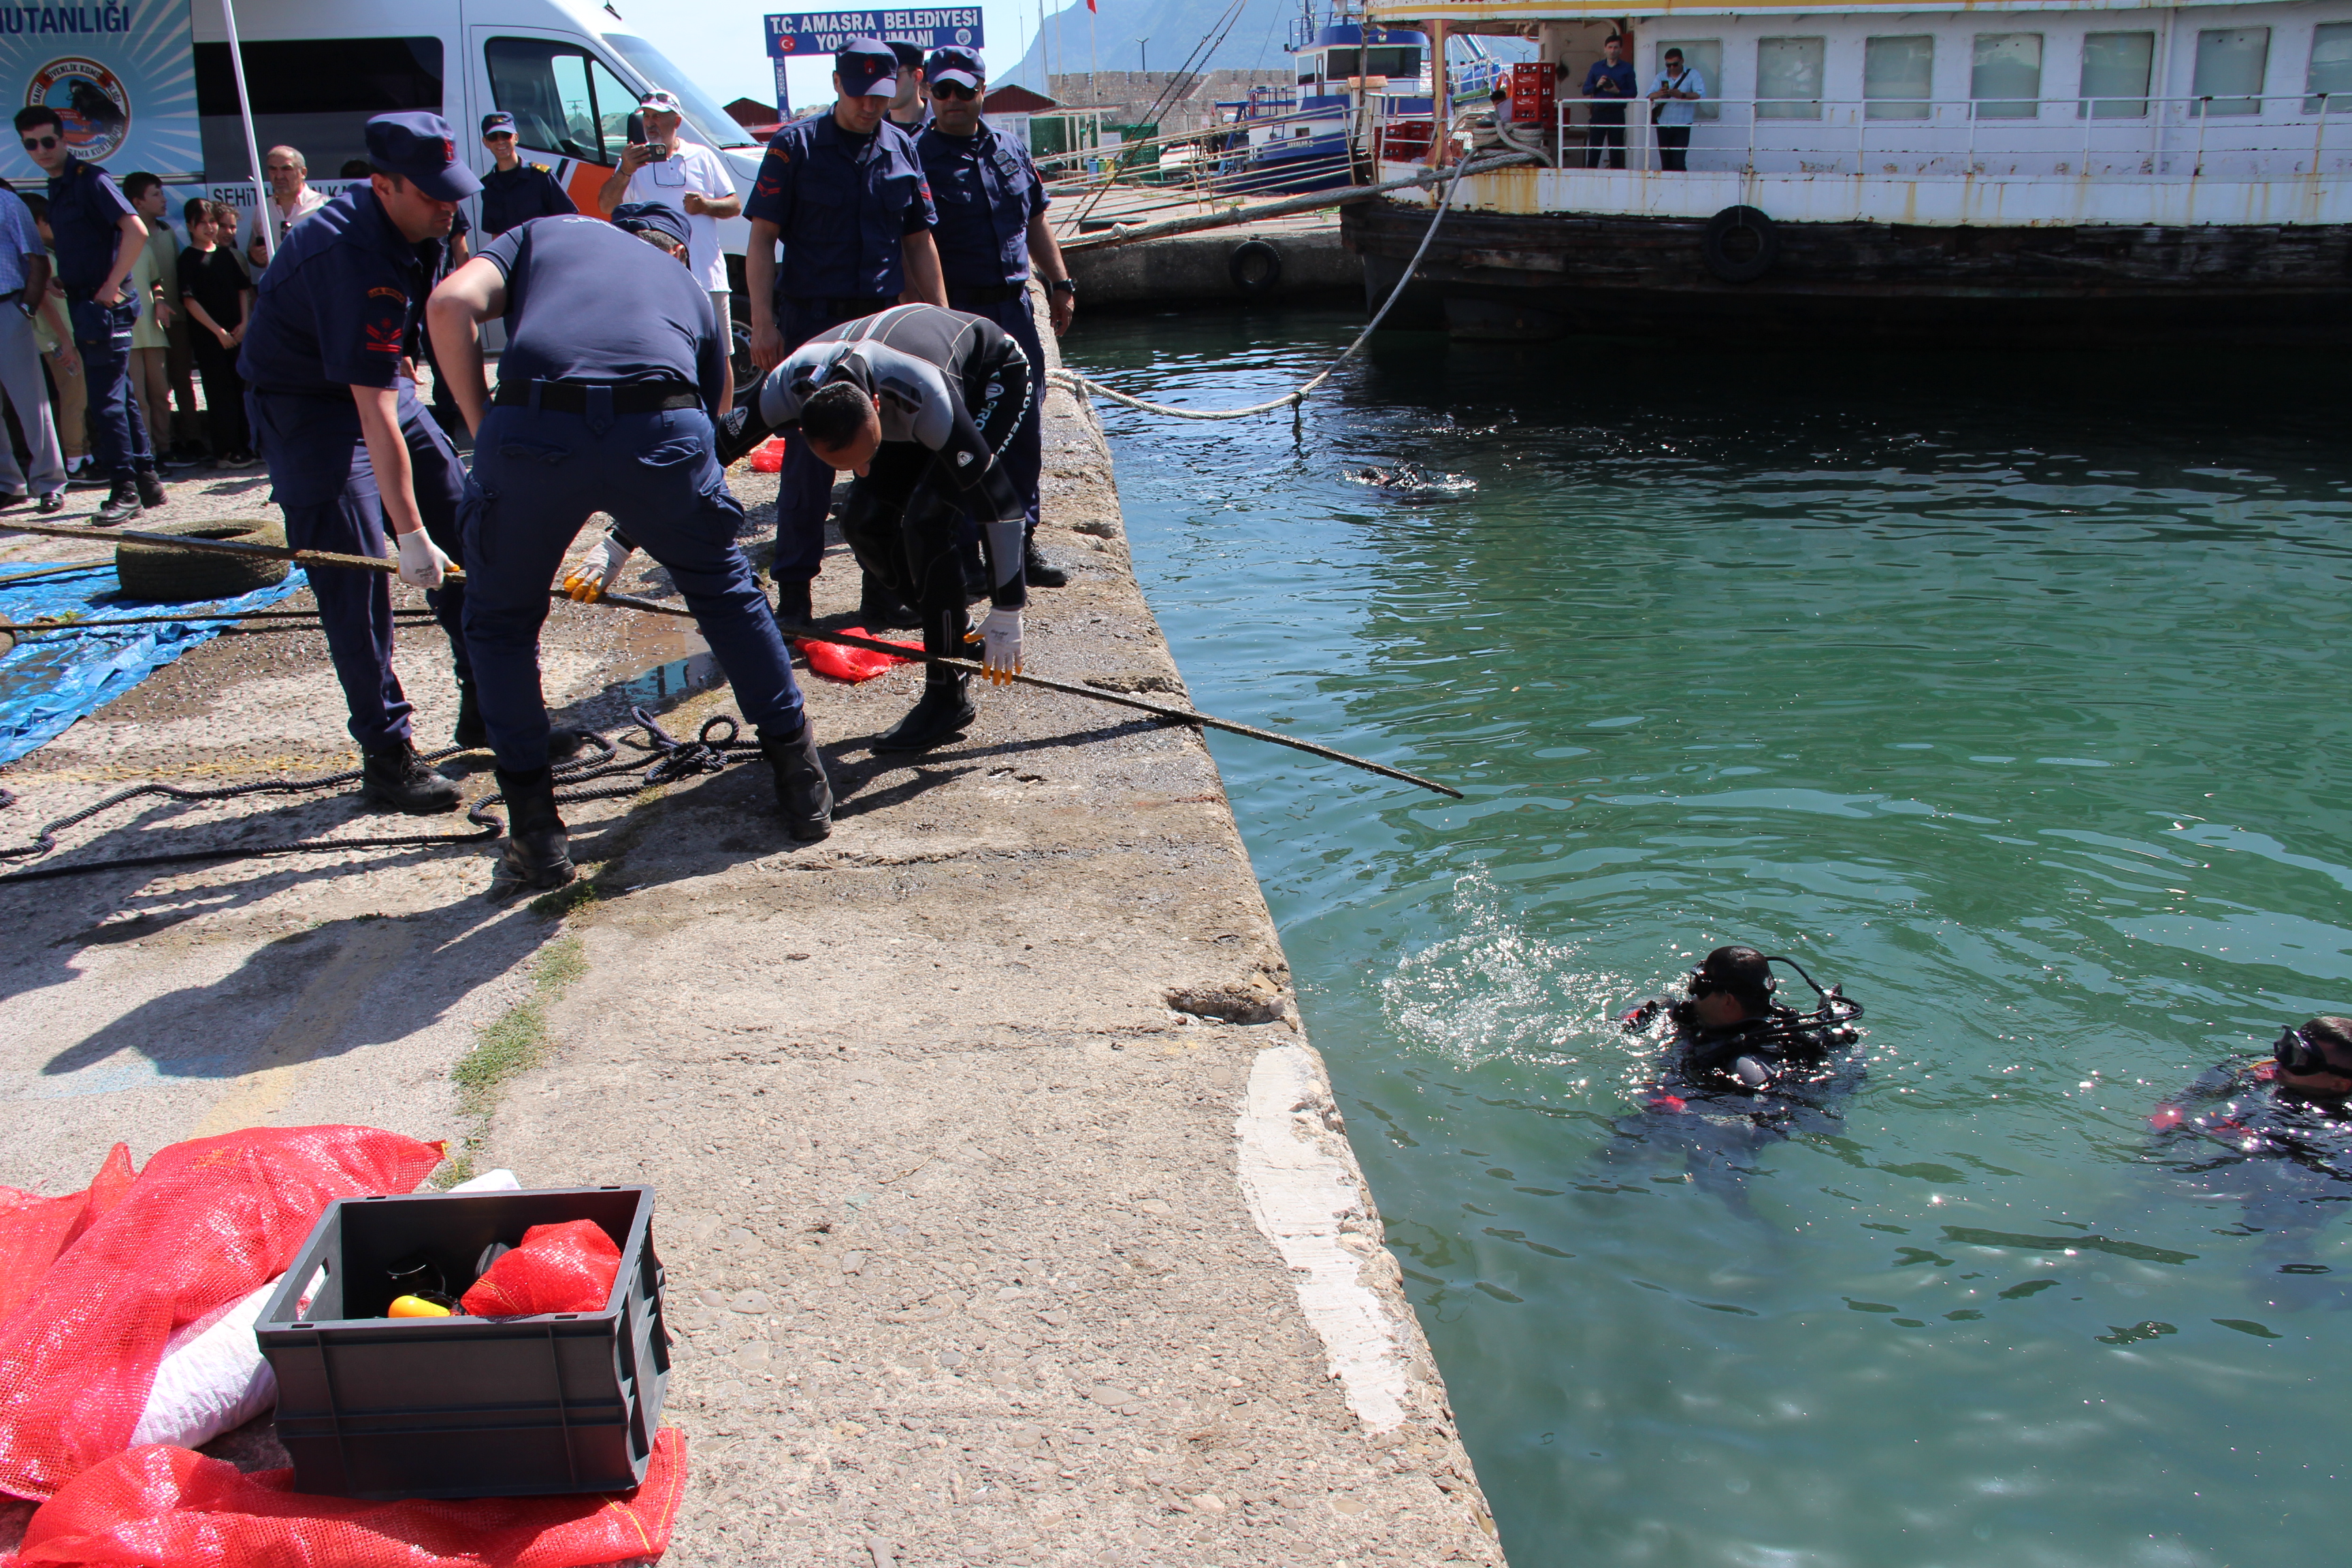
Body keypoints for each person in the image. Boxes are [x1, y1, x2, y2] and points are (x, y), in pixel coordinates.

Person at [427, 203, 832, 892]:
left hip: (533, 425)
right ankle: (802, 785)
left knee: (500, 623)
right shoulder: (689, 288)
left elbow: (447, 305)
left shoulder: (539, 232)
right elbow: (715, 415)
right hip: (662, 420)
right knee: (726, 594)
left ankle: (538, 834)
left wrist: (484, 426)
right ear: (674, 249)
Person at [236, 112, 483, 813]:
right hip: (309, 408)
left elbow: (428, 341)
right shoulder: (347, 254)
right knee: (354, 577)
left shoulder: (424, 225)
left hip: (382, 386)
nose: (449, 205)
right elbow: (369, 412)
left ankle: (488, 706)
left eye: (452, 191)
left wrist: (479, 443)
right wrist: (407, 535)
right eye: (433, 193)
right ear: (383, 185)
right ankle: (387, 752)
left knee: (467, 531)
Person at [708, 304, 1032, 752]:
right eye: (846, 466)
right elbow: (700, 462)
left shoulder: (927, 397)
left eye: (865, 457)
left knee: (929, 522)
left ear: (876, 409)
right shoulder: (785, 387)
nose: (861, 470)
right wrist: (619, 542)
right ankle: (953, 630)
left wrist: (1007, 610)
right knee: (862, 521)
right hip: (896, 393)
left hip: (987, 378)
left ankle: (947, 696)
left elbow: (1001, 504)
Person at [743, 37, 947, 627]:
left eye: (879, 97)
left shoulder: (903, 150)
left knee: (884, 457)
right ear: (837, 85)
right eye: (857, 95)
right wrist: (763, 323)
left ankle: (881, 592)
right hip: (811, 323)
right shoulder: (795, 148)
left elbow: (918, 243)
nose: (867, 107)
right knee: (808, 465)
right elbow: (761, 241)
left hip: (879, 327)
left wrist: (942, 321)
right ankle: (796, 595)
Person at [915, 44, 1074, 600]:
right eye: (943, 91)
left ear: (983, 91)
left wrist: (1059, 282)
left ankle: (1021, 541)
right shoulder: (915, 159)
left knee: (1023, 432)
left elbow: (1035, 219)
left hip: (1014, 309)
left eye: (965, 90)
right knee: (961, 433)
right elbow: (912, 246)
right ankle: (966, 554)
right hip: (955, 317)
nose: (955, 101)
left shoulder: (1010, 150)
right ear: (927, 94)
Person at [1608, 945, 1866, 1193]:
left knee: (1658, 1142)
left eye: (1699, 988)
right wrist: (1636, 1013)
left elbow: (1767, 1122)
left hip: (1731, 1129)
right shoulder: (1721, 1016)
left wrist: (1684, 1110)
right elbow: (1658, 1004)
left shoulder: (1749, 1066)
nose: (1691, 995)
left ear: (1728, 1001)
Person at [17, 105, 163, 525]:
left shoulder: (89, 180)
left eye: (48, 141)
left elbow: (136, 230)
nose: (41, 150)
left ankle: (125, 489)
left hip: (105, 306)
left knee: (106, 400)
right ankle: (147, 479)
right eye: (32, 144)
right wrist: (73, 279)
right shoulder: (58, 187)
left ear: (64, 140)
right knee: (119, 395)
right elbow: (88, 242)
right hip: (86, 301)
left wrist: (109, 285)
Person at [596, 90, 738, 325]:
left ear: (677, 121)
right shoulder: (631, 162)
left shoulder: (702, 156)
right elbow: (605, 206)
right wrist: (625, 171)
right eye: (647, 116)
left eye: (658, 116)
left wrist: (705, 206)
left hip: (707, 277)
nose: (651, 122)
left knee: (720, 358)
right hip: (655, 282)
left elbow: (734, 205)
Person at [0, 179, 65, 510]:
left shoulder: (8, 202)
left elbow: (37, 259)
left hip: (6, 307)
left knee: (31, 403)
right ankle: (8, 483)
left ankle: (49, 483)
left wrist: (25, 306)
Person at [176, 198, 255, 468]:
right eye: (203, 223)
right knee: (219, 393)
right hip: (210, 337)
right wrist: (218, 331)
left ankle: (248, 444)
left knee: (242, 389)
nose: (210, 228)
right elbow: (189, 300)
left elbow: (242, 290)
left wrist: (245, 323)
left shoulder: (225, 255)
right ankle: (226, 451)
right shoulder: (187, 259)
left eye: (213, 222)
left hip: (237, 332)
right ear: (190, 226)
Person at [20, 194, 86, 489]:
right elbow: (45, 302)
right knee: (73, 398)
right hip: (56, 342)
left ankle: (82, 454)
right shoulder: (41, 259)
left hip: (61, 339)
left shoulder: (48, 253)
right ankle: (75, 460)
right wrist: (65, 341)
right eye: (48, 220)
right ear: (37, 223)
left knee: (76, 397)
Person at [122, 172, 183, 467]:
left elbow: (155, 281)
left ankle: (164, 446)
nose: (163, 199)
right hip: (127, 332)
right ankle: (145, 451)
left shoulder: (147, 244)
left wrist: (160, 301)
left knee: (161, 392)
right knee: (138, 398)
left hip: (153, 328)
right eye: (156, 194)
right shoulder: (115, 244)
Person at [476, 112, 576, 236]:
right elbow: (496, 235)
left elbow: (568, 219)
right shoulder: (488, 186)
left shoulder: (541, 176)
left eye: (506, 135)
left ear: (516, 138)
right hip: (512, 255)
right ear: (486, 142)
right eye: (493, 137)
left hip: (542, 252)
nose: (500, 141)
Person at [249, 144, 327, 265]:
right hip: (278, 283)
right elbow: (253, 252)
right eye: (273, 169)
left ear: (303, 172)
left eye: (287, 169)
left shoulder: (324, 206)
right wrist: (256, 256)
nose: (279, 176)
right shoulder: (263, 208)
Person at [1581, 35, 1636, 169]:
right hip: (1598, 113)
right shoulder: (1596, 67)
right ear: (1605, 49)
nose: (1613, 50)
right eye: (1610, 47)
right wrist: (1598, 85)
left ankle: (1617, 182)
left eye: (1616, 47)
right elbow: (1586, 90)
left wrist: (1617, 92)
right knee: (1594, 151)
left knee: (1616, 152)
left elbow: (1633, 93)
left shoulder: (1627, 68)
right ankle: (1590, 178)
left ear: (1621, 50)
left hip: (1616, 113)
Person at [1647, 47, 1705, 172]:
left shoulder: (1692, 74)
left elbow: (1699, 94)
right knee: (1666, 162)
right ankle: (1667, 189)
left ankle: (1681, 188)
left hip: (1682, 124)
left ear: (1682, 61)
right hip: (1663, 123)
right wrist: (1659, 94)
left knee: (1678, 161)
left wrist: (1682, 95)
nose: (1672, 67)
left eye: (1675, 64)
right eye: (1669, 65)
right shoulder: (1661, 76)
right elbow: (1649, 95)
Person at [886, 41, 930, 131]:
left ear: (916, 77)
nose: (886, 85)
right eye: (881, 78)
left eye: (893, 77)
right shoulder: (871, 130)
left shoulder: (943, 125)